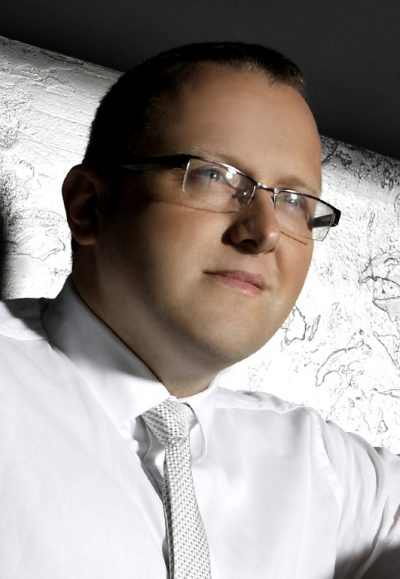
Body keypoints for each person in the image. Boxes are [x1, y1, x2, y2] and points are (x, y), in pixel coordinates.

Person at [0, 41, 399, 579]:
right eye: (214, 175)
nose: (264, 232)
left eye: (294, 201)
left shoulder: (325, 472)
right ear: (89, 206)